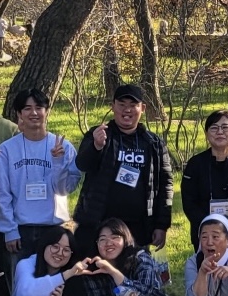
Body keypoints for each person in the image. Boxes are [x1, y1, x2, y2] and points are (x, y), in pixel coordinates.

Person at [74, 82, 173, 251]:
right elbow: (82, 164)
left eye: (133, 105)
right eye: (121, 105)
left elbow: (166, 184)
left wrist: (161, 225)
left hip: (138, 227)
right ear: (113, 107)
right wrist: (96, 146)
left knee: (135, 273)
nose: (127, 110)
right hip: (98, 224)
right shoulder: (99, 134)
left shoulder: (153, 143)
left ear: (143, 108)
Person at [0, 89, 81, 262]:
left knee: (54, 285)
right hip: (20, 229)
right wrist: (9, 230)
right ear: (19, 114)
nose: (33, 113)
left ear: (46, 111)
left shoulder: (63, 146)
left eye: (39, 107)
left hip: (55, 227)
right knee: (21, 286)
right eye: (27, 108)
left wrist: (58, 162)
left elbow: (64, 190)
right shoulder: (7, 149)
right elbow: (1, 192)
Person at [181, 109, 228, 253]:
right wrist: (211, 229)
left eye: (225, 127)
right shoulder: (196, 163)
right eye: (214, 128)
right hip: (206, 238)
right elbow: (189, 203)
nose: (220, 132)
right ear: (206, 134)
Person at [68, 217, 175, 296]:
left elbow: (142, 295)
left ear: (125, 240)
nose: (109, 243)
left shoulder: (141, 258)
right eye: (102, 239)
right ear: (96, 244)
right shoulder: (92, 269)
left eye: (115, 237)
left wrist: (113, 272)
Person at [11, 227, 80, 296]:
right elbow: (24, 295)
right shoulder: (25, 265)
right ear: (44, 246)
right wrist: (65, 275)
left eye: (66, 250)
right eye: (55, 246)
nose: (59, 253)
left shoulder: (75, 276)